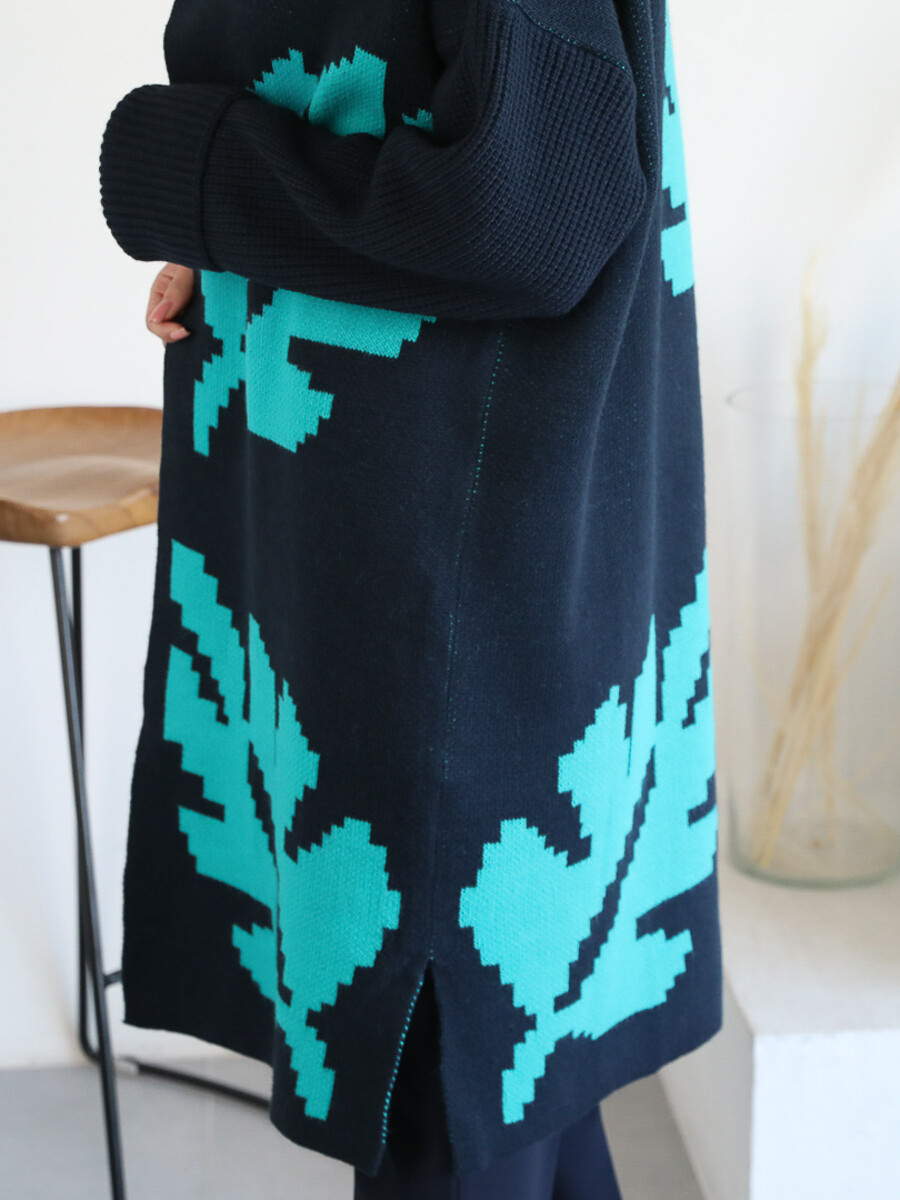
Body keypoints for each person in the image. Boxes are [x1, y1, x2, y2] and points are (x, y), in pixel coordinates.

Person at [98, 0, 723, 1194]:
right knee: (496, 1080)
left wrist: (192, 174)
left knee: (452, 1058)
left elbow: (529, 209)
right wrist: (232, 235)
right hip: (408, 544)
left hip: (439, 579)